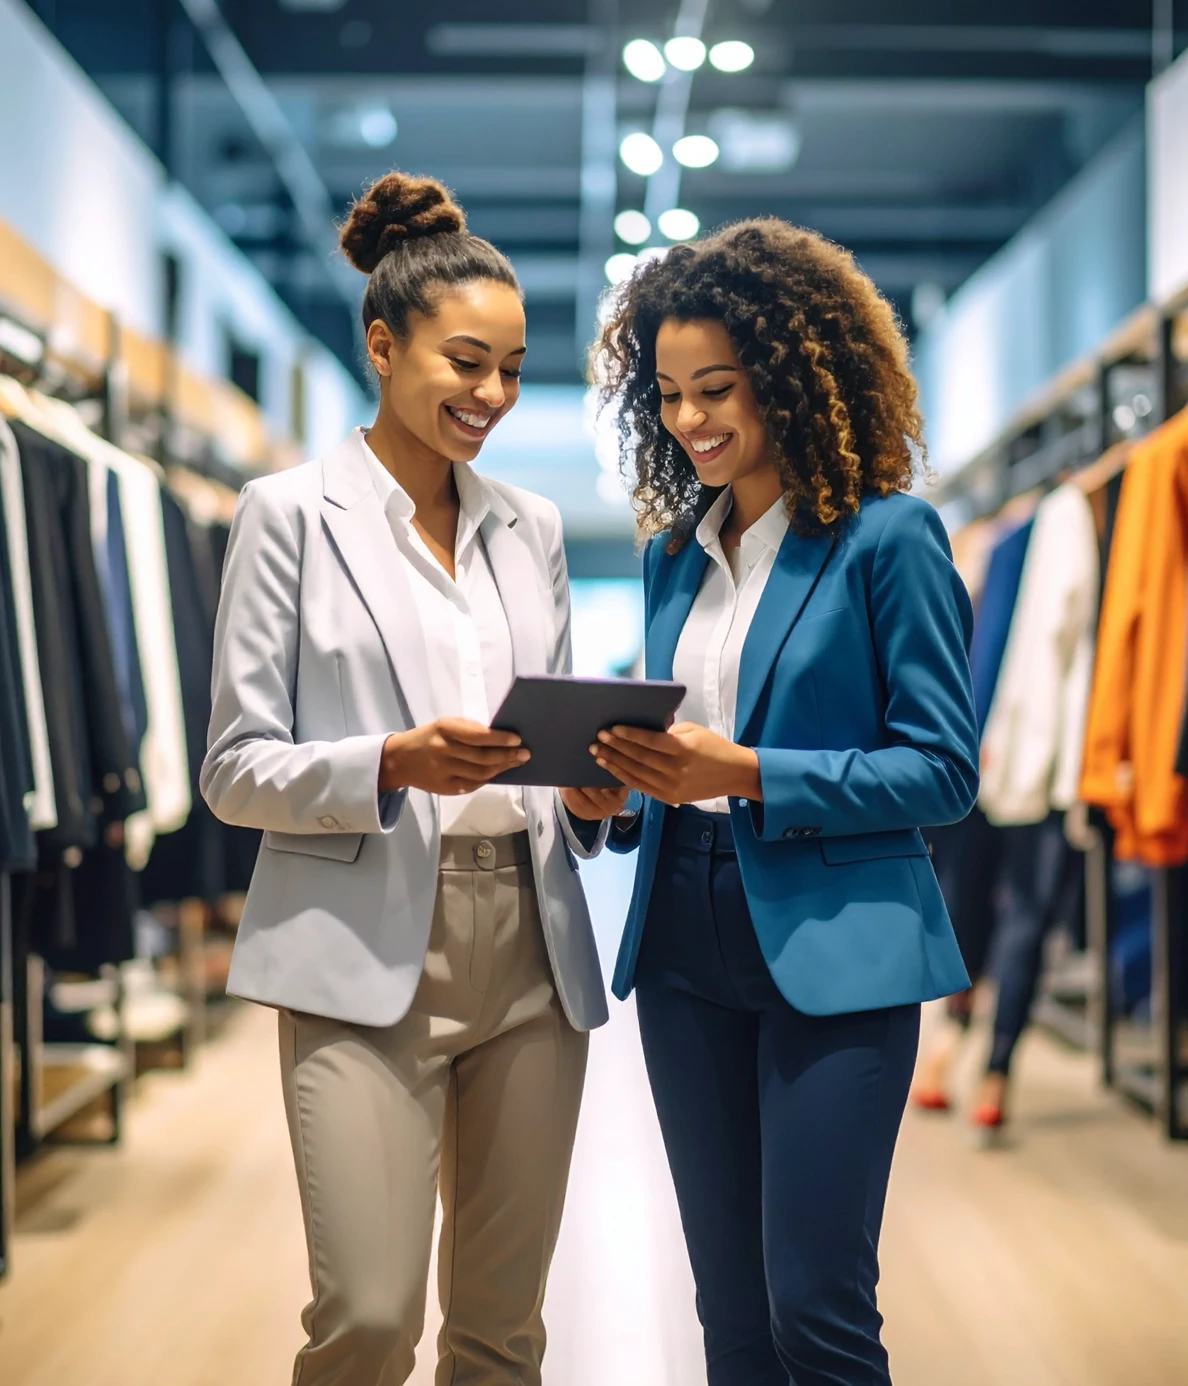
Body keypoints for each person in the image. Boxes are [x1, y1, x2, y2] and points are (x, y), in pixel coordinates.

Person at [201, 171, 625, 1386]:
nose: (492, 395)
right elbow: (235, 768)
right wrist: (391, 762)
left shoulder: (531, 528)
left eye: (512, 367)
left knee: (502, 1334)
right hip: (356, 948)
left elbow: (551, 747)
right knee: (370, 1319)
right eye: (465, 363)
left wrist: (593, 797)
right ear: (383, 347)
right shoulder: (285, 515)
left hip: (532, 947)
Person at [588, 219, 980, 1386]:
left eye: (718, 387)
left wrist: (748, 774)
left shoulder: (887, 539)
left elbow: (944, 770)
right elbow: (678, 762)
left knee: (817, 1305)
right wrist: (617, 787)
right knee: (732, 1315)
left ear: (795, 374)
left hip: (837, 947)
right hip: (680, 941)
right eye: (667, 394)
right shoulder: (674, 555)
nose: (691, 420)